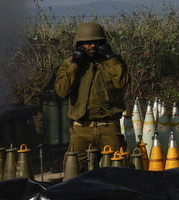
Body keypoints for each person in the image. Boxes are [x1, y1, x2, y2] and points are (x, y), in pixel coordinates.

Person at [55, 22, 129, 168]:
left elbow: (122, 82)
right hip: (81, 129)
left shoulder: (112, 62)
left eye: (96, 42)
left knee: (120, 171)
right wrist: (75, 65)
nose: (92, 46)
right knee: (73, 171)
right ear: (79, 44)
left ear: (103, 43)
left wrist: (110, 58)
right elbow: (62, 90)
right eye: (87, 43)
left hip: (109, 127)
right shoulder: (69, 64)